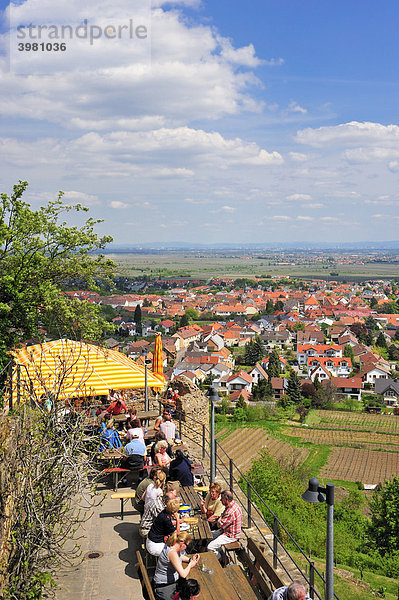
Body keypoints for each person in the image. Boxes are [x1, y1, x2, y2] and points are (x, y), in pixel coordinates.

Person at [152, 531, 199, 600]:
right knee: (190, 592)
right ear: (182, 543)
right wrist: (190, 565)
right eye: (187, 545)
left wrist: (190, 560)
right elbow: (183, 574)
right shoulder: (172, 553)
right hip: (164, 587)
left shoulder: (171, 546)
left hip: (164, 582)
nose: (186, 548)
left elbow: (179, 557)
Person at [207, 489, 242, 560]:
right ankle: (224, 556)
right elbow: (222, 519)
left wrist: (217, 519)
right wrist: (219, 518)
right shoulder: (232, 505)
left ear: (226, 499)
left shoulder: (231, 511)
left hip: (230, 535)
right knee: (208, 537)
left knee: (210, 547)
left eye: (221, 499)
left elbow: (220, 525)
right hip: (226, 531)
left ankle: (221, 560)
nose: (220, 500)